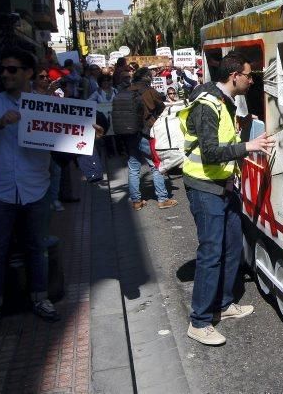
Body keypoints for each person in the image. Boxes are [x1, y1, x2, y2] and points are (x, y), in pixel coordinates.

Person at [180, 51, 274, 346]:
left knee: (233, 244)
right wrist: (249, 145)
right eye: (249, 76)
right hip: (204, 187)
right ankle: (199, 321)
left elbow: (225, 140)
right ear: (235, 76)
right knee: (211, 252)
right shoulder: (207, 105)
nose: (251, 81)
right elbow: (210, 152)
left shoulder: (224, 102)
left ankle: (223, 303)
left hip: (223, 186)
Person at [0, 48, 60, 335]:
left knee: (37, 249)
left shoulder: (44, 104)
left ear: (28, 73)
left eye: (12, 69)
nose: (5, 74)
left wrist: (89, 133)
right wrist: (0, 122)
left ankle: (40, 299)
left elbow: (67, 139)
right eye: (3, 69)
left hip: (36, 189)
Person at [114, 68, 176, 210]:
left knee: (133, 167)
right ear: (147, 78)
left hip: (129, 134)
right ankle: (162, 198)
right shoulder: (149, 91)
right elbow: (161, 107)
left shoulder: (127, 90)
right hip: (146, 132)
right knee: (155, 165)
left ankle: (136, 201)